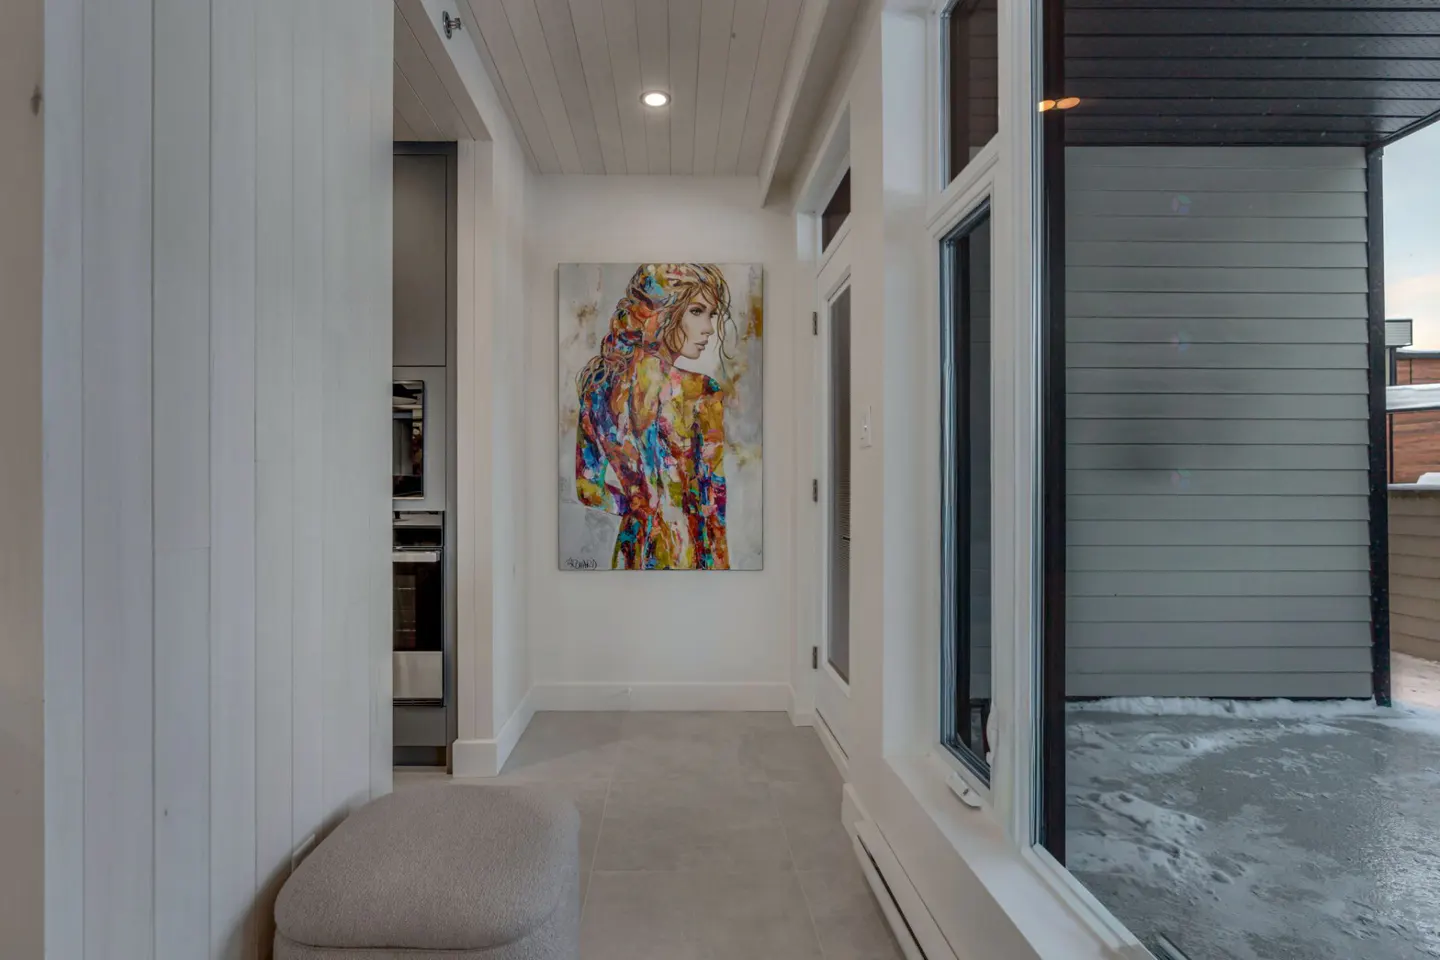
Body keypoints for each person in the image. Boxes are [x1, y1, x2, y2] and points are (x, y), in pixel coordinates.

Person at [575, 263, 732, 569]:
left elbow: (587, 489)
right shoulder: (700, 392)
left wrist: (639, 505)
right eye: (697, 311)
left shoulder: (598, 390)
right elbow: (714, 507)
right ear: (663, 312)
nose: (709, 329)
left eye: (711, 315)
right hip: (685, 553)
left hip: (631, 551)